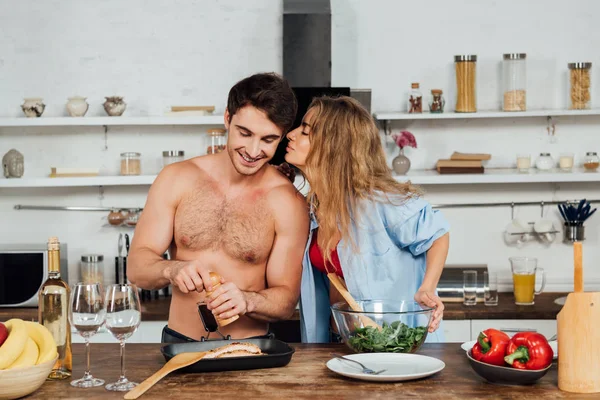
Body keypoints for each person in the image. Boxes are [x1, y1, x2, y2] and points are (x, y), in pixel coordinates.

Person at [127, 73, 309, 343]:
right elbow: (136, 268)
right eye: (244, 133)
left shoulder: (287, 201)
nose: (253, 150)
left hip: (249, 348)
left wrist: (248, 301)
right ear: (227, 118)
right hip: (179, 344)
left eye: (268, 140)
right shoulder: (177, 178)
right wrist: (171, 269)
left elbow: (285, 301)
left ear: (282, 137)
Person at [284, 95, 450, 343]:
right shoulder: (314, 207)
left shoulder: (379, 200)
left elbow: (438, 234)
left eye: (305, 132)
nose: (291, 134)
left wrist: (427, 288)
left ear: (333, 145)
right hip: (341, 345)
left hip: (396, 344)